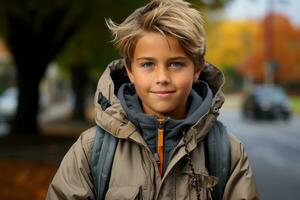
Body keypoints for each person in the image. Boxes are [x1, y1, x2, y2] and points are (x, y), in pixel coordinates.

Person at [46, 0, 259, 199]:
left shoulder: (225, 151)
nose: (162, 78)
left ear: (197, 69)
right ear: (129, 70)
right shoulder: (92, 150)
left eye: (176, 64)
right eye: (148, 64)